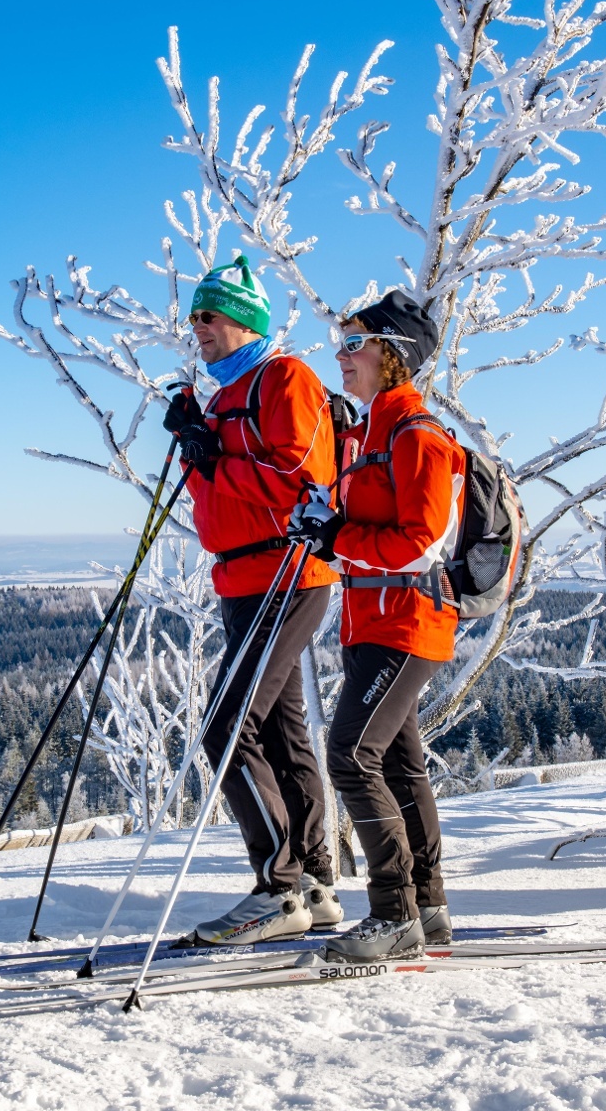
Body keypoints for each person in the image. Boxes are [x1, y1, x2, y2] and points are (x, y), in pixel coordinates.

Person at [162, 254, 344, 945]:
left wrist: (214, 452)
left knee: (227, 725)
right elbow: (216, 499)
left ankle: (279, 886)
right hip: (240, 579)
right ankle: (317, 883)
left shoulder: (284, 377)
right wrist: (192, 441)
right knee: (278, 729)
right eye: (193, 318)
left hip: (286, 572)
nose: (196, 328)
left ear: (240, 319)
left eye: (206, 316)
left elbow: (300, 480)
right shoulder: (224, 396)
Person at [288, 290, 460, 963]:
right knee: (396, 759)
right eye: (340, 342)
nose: (340, 354)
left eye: (354, 343)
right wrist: (321, 518)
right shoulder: (365, 435)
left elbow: (421, 538)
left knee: (349, 755)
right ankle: (430, 906)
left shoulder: (417, 434)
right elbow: (347, 518)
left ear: (393, 354)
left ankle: (394, 912)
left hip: (408, 620)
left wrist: (338, 537)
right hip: (370, 625)